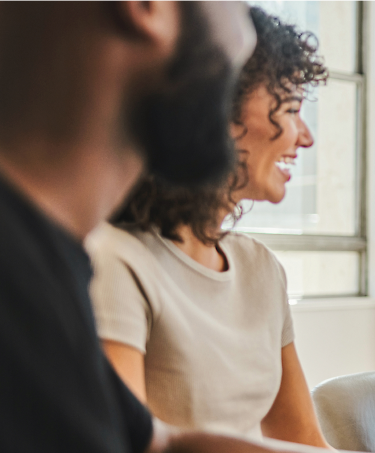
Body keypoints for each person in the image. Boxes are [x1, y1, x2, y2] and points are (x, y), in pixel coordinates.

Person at [0, 0, 320, 451]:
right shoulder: (32, 275)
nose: (245, 39)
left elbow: (162, 443)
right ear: (148, 6)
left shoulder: (49, 266)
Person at [87, 6, 332, 449]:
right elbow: (129, 444)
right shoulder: (115, 260)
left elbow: (304, 439)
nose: (305, 136)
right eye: (291, 107)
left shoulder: (261, 268)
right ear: (221, 106)